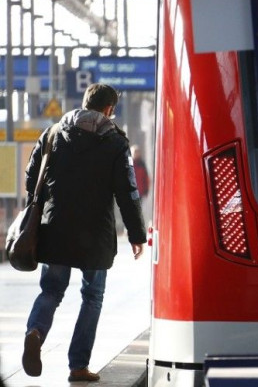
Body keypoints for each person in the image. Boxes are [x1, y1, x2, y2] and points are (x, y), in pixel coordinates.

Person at [21, 83, 146, 383]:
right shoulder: (116, 142)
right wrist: (137, 234)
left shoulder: (53, 134)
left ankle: (35, 331)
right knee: (92, 296)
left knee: (51, 290)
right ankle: (78, 366)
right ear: (108, 109)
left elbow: (30, 177)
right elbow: (127, 193)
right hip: (96, 235)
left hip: (55, 229)